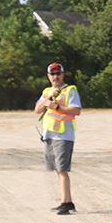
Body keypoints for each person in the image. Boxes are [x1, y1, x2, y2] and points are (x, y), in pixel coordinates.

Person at [34, 62, 80, 215]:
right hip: (49, 135)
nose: (55, 77)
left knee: (62, 170)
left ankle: (66, 203)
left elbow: (76, 110)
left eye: (58, 74)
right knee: (57, 170)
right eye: (52, 74)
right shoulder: (47, 91)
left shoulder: (70, 90)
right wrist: (47, 99)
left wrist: (58, 107)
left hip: (63, 136)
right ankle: (65, 201)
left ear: (63, 74)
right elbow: (37, 110)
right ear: (48, 76)